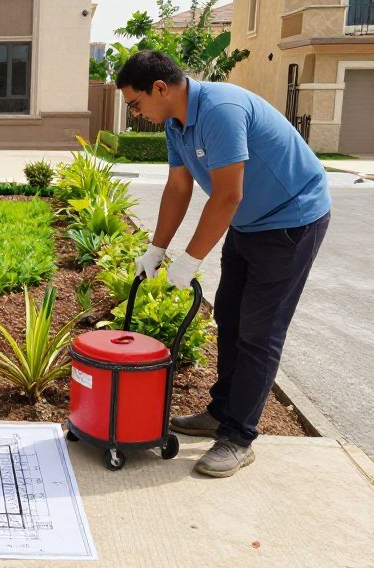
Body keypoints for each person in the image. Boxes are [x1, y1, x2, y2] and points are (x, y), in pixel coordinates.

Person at [116, 50, 331, 478]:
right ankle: (222, 411)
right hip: (248, 224)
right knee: (230, 320)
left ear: (160, 88)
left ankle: (238, 436)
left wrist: (192, 258)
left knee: (259, 332)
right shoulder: (177, 124)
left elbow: (227, 195)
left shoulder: (220, 110)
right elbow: (179, 187)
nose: (136, 113)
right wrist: (157, 250)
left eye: (136, 103)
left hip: (291, 221)